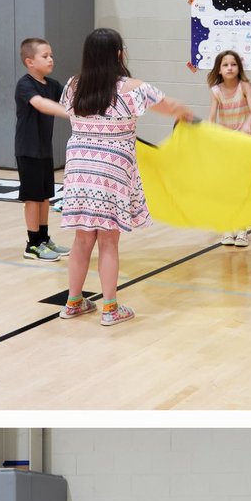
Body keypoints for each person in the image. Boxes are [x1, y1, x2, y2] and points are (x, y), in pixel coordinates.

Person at [57, 27, 194, 326]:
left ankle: (73, 302)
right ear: (118, 54)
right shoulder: (133, 88)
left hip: (79, 167)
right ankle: (109, 308)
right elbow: (171, 107)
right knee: (108, 241)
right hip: (113, 168)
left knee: (82, 239)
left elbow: (68, 113)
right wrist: (188, 115)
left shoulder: (72, 86)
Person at [14, 38, 70, 262]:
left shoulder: (53, 85)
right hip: (28, 150)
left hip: (44, 151)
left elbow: (72, 99)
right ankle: (32, 244)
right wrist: (68, 112)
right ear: (30, 61)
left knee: (45, 196)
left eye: (51, 55)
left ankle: (44, 239)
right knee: (33, 198)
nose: (50, 59)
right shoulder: (25, 85)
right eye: (45, 56)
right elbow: (40, 104)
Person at [207, 50, 251, 247]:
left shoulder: (245, 86)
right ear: (219, 70)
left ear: (239, 68)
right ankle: (228, 229)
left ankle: (242, 230)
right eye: (225, 64)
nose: (230, 67)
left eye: (233, 64)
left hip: (245, 141)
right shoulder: (216, 91)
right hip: (226, 143)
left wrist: (247, 125)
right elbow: (212, 118)